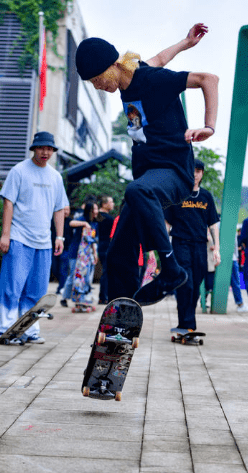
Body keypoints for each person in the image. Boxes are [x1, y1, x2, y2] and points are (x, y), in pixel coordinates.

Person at [75, 24, 218, 306]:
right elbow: (160, 58)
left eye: (99, 79)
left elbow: (208, 79)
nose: (99, 86)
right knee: (118, 252)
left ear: (114, 65)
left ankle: (171, 270)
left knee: (137, 191)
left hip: (174, 173)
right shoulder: (130, 76)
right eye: (93, 84)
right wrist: (185, 42)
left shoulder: (152, 80)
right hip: (149, 177)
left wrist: (209, 127)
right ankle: (121, 318)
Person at [0, 132, 68, 343]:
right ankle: (3, 329)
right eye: (41, 148)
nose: (45, 152)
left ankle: (29, 331)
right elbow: (8, 203)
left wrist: (60, 237)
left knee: (36, 291)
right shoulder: (19, 171)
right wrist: (5, 235)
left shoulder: (55, 177)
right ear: (34, 149)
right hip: (19, 238)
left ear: (53, 151)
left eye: (49, 149)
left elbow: (59, 209)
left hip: (43, 242)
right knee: (12, 288)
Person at [164, 159, 220, 334]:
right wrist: (163, 247)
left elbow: (213, 225)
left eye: (198, 171)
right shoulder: (176, 194)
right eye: (192, 170)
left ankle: (184, 323)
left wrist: (217, 248)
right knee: (185, 282)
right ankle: (188, 324)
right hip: (181, 243)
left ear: (202, 174)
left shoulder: (206, 196)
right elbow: (166, 223)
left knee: (196, 285)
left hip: (200, 246)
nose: (195, 174)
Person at [60, 202, 99, 307]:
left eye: (97, 209)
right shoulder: (82, 219)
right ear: (89, 210)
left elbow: (93, 240)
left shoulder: (95, 223)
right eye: (94, 209)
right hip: (75, 253)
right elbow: (71, 223)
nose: (96, 211)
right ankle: (64, 297)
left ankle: (81, 298)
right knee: (73, 275)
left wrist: (95, 254)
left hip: (87, 255)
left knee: (84, 276)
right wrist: (84, 224)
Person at [97, 196, 116, 305]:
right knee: (106, 272)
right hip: (107, 247)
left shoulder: (96, 216)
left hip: (98, 246)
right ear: (104, 204)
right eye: (111, 202)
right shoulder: (109, 219)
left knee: (104, 272)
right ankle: (103, 297)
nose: (113, 204)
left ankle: (102, 296)